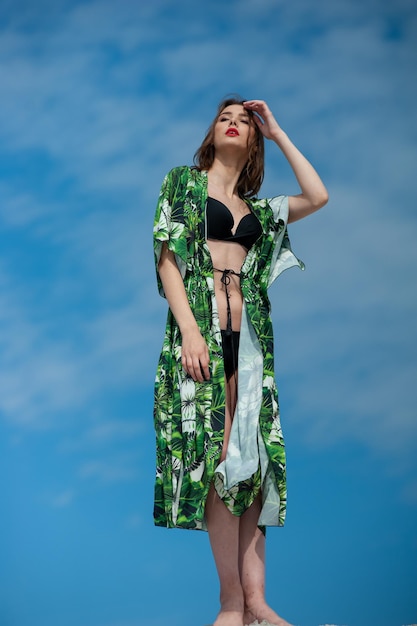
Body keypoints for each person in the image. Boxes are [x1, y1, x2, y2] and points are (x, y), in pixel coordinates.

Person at [153, 98, 328, 626]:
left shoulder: (261, 210)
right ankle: (231, 602)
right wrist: (189, 331)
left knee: (251, 462)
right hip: (200, 336)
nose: (234, 121)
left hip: (251, 343)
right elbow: (167, 255)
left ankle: (257, 602)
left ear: (254, 140)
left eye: (245, 120)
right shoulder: (183, 182)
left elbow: (318, 196)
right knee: (211, 460)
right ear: (212, 132)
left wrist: (277, 131)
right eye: (225, 116)